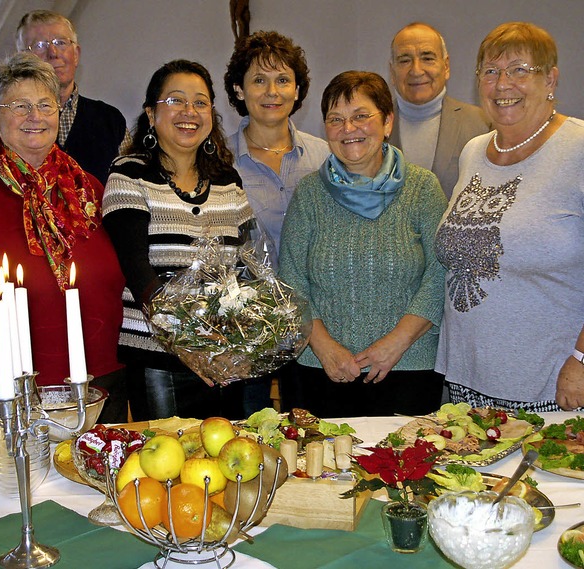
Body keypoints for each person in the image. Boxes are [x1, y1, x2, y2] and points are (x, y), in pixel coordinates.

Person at [0, 52, 127, 422]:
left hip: (101, 370)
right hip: (7, 381)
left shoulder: (87, 187)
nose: (35, 116)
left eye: (46, 104)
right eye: (20, 106)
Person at [278, 71, 447, 418]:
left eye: (360, 116)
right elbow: (292, 281)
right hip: (319, 370)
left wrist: (395, 344)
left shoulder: (422, 188)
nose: (348, 129)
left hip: (408, 366)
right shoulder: (310, 193)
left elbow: (440, 274)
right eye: (336, 119)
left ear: (387, 122)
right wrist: (325, 349)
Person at [435, 22, 584, 412]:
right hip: (467, 381)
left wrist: (582, 361)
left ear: (550, 78)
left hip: (552, 383)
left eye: (520, 70)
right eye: (490, 71)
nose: (503, 84)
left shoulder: (578, 148)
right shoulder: (473, 151)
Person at [103, 60, 257, 421]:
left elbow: (248, 264)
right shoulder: (129, 173)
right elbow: (137, 271)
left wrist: (244, 335)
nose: (190, 112)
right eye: (175, 100)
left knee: (229, 462)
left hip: (224, 353)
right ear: (151, 113)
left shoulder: (226, 178)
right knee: (168, 467)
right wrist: (190, 345)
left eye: (201, 102)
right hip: (158, 355)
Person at [224, 30, 329, 413]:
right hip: (245, 325)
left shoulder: (325, 156)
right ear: (238, 90)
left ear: (297, 90)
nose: (272, 91)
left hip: (315, 323)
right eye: (259, 80)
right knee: (249, 431)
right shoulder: (218, 160)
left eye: (283, 79)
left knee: (311, 431)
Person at [0, 10, 129, 185]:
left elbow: (130, 185)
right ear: (21, 58)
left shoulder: (110, 119)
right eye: (40, 45)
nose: (53, 53)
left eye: (61, 42)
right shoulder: (1, 122)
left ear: (76, 54)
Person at [388, 22, 490, 199]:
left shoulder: (482, 124)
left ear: (446, 66)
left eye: (427, 58)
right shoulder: (369, 127)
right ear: (392, 71)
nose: (416, 70)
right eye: (404, 60)